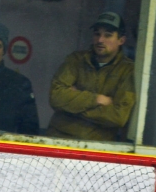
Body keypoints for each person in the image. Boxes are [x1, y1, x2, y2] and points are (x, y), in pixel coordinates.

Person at [46, 12, 135, 142]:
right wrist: (97, 99)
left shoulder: (127, 70)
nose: (100, 40)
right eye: (97, 34)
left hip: (97, 145)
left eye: (108, 35)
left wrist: (73, 106)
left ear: (121, 40)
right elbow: (55, 97)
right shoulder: (76, 60)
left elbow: (118, 116)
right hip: (58, 139)